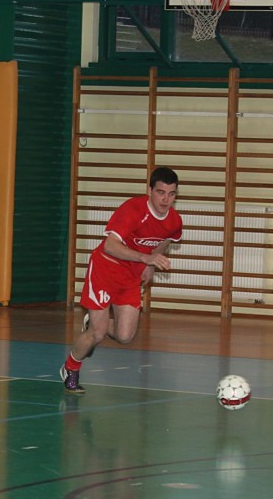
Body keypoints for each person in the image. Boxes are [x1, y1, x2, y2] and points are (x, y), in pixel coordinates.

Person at [60, 166, 182, 394]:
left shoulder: (174, 221)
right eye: (160, 192)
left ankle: (96, 322)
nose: (166, 199)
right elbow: (110, 245)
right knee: (96, 334)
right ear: (150, 191)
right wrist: (146, 258)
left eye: (171, 194)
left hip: (130, 276)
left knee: (125, 336)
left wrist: (150, 265)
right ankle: (71, 368)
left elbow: (166, 239)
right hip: (105, 271)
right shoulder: (132, 210)